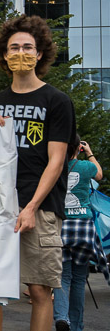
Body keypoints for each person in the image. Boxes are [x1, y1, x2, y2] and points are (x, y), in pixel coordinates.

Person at [0, 15, 75, 331]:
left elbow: (56, 161)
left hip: (40, 208)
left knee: (39, 289)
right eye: (14, 47)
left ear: (40, 53)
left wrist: (31, 207)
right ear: (4, 55)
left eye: (28, 47)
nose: (21, 52)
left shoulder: (57, 101)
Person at [53, 136, 103, 331]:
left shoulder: (54, 167)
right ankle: (77, 326)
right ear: (79, 149)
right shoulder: (85, 166)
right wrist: (89, 153)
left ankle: (61, 318)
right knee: (80, 279)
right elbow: (99, 174)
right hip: (83, 227)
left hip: (62, 226)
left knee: (63, 276)